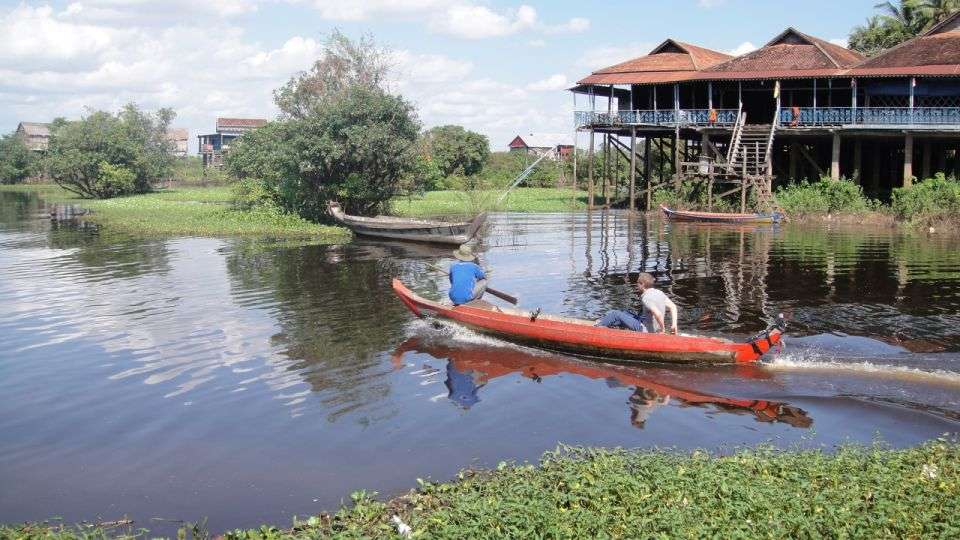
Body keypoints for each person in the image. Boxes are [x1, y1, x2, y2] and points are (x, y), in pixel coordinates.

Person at [596, 272, 678, 334]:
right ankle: (606, 323)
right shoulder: (659, 292)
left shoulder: (646, 298)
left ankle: (596, 328)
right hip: (645, 322)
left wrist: (662, 330)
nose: (636, 286)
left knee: (615, 314)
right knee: (625, 312)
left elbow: (658, 314)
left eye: (638, 283)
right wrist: (674, 325)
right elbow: (673, 306)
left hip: (645, 330)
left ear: (642, 284)